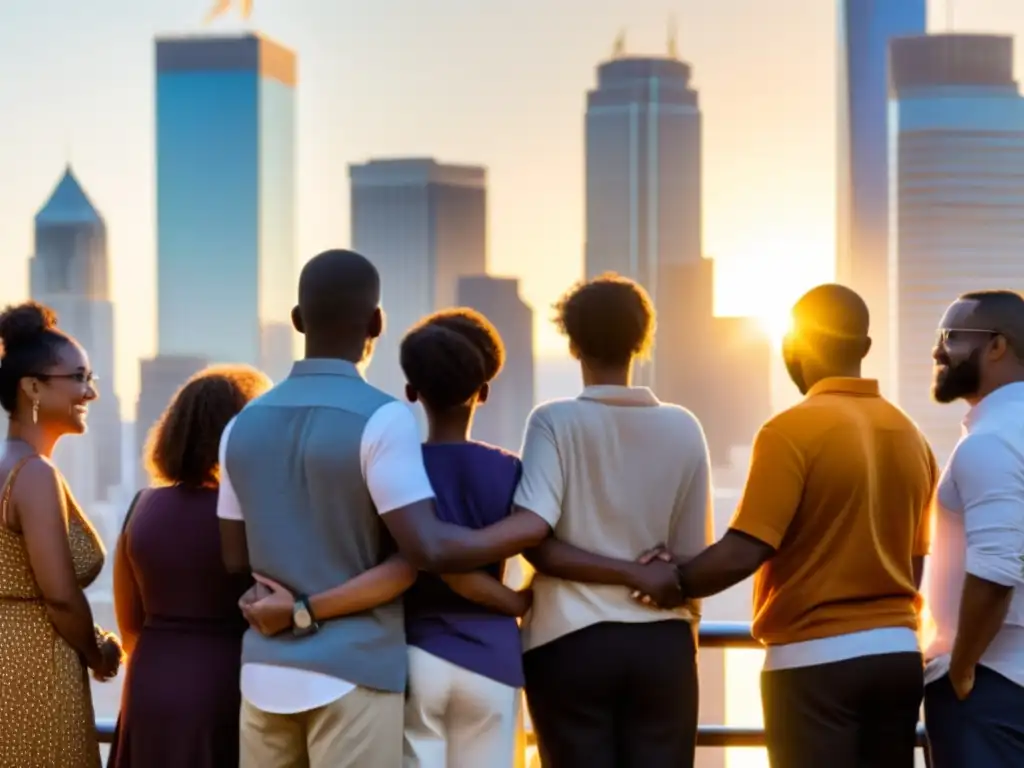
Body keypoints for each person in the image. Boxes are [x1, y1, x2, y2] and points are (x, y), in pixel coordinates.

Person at [219, 251, 676, 767]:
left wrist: (291, 604)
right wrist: (528, 539)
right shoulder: (385, 421)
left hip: (268, 669)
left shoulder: (241, 425)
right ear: (376, 322)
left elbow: (235, 558)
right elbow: (425, 551)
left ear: (298, 320)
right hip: (368, 668)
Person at [645, 283, 935, 768]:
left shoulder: (789, 431)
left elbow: (745, 549)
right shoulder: (911, 435)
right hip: (898, 655)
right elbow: (915, 560)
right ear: (864, 348)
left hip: (814, 661)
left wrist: (673, 582)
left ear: (792, 347)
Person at [245, 308, 533, 768]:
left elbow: (409, 558)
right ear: (484, 391)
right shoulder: (509, 469)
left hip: (415, 654)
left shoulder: (397, 469)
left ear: (411, 393)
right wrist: (515, 602)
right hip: (493, 659)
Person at [506, 273, 712, 768]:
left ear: (572, 344)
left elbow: (536, 542)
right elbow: (690, 562)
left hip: (569, 643)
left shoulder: (553, 422)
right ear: (642, 342)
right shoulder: (684, 427)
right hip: (662, 645)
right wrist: (644, 576)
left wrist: (623, 572)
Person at [107, 365, 271, 768]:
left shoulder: (142, 506)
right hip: (227, 681)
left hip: (151, 681)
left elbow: (128, 623)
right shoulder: (255, 513)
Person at [0, 301, 121, 768]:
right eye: (78, 378)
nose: (89, 393)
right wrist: (98, 653)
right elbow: (61, 598)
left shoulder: (11, 467)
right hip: (33, 665)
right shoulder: (33, 474)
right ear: (31, 387)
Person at [922, 290, 1024, 767]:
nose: (938, 351)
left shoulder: (990, 442)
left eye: (951, 336)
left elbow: (996, 570)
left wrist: (961, 669)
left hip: (991, 686)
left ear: (998, 346)